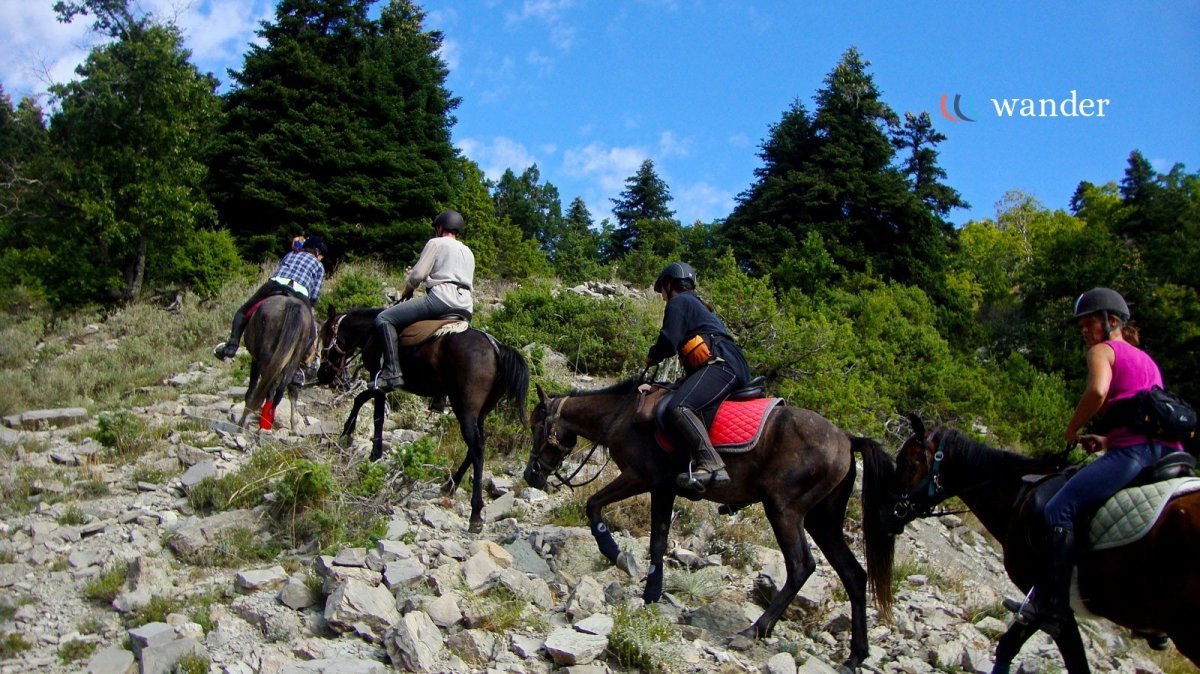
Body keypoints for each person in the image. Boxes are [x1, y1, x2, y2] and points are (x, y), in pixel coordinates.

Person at [1018, 287, 1185, 635]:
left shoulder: (1102, 351)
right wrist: (1107, 440)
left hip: (1134, 455)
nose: (1084, 330)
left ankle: (1053, 605)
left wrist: (1072, 429)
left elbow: (1097, 392)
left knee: (1057, 511)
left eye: (1089, 322)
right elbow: (1144, 417)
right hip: (1167, 453)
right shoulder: (1147, 360)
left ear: (1112, 322)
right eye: (1081, 325)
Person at [645, 261, 751, 491]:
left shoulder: (679, 301)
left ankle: (711, 462)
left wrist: (653, 356)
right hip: (730, 363)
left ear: (668, 285)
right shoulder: (698, 304)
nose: (663, 297)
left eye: (663, 292)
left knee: (680, 407)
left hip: (721, 364)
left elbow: (669, 340)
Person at [373, 210, 474, 392]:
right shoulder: (468, 252)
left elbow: (418, 274)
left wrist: (408, 291)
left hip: (441, 300)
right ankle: (440, 395)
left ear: (440, 227)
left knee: (384, 319)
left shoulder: (436, 243)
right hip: (465, 308)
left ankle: (391, 372)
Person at [214, 235, 327, 360]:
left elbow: (279, 270)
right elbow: (315, 295)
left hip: (275, 284)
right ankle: (299, 363)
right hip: (299, 292)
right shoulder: (319, 266)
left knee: (242, 312)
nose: (320, 258)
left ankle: (231, 346)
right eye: (321, 255)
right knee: (311, 332)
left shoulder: (290, 254)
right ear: (316, 251)